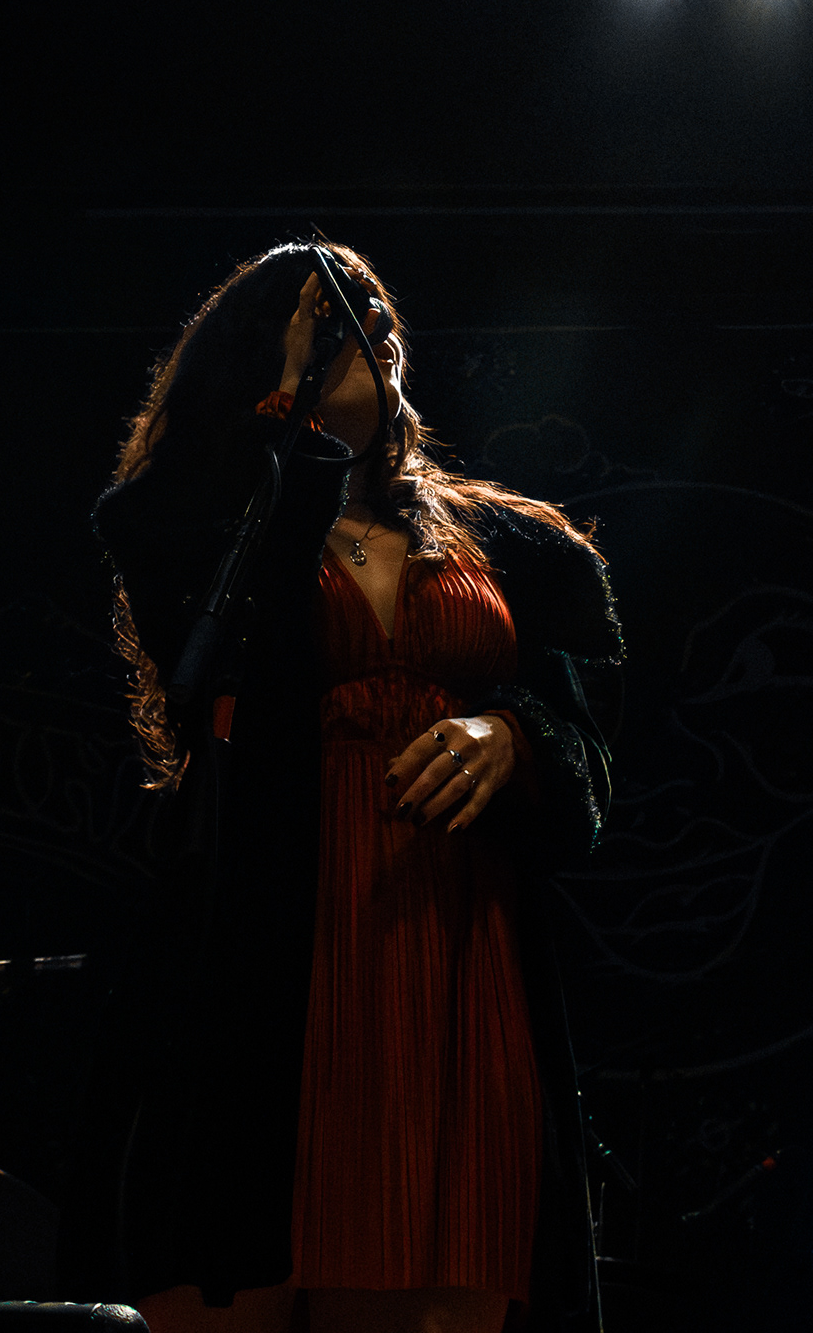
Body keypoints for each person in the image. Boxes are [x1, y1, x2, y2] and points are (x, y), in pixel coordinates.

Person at [93, 243, 621, 1333]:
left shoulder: (515, 543)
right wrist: (290, 422)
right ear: (262, 355)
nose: (372, 332)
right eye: (332, 320)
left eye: (379, 318)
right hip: (270, 942)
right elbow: (223, 651)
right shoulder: (198, 525)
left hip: (456, 942)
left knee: (445, 1264)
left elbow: (590, 735)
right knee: (237, 1249)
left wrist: (516, 736)